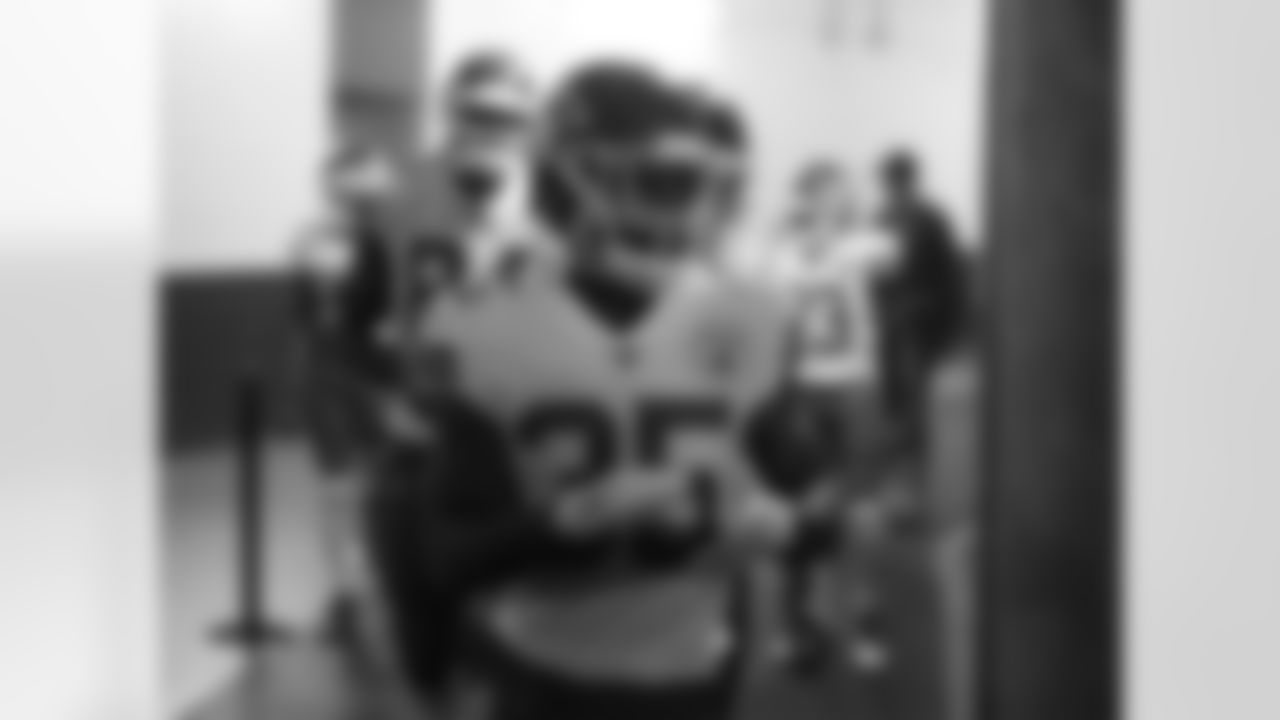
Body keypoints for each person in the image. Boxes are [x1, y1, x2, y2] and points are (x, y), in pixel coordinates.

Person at [395, 60, 825, 720]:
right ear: (570, 179)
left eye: (696, 185)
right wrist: (569, 521)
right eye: (660, 183)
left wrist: (789, 525)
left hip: (697, 670)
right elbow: (445, 558)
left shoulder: (753, 316)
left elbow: (816, 498)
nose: (685, 211)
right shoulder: (480, 322)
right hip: (540, 675)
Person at [753, 159, 902, 677]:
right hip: (798, 389)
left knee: (862, 511)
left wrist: (832, 235)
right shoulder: (777, 255)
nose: (828, 204)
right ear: (801, 197)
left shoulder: (861, 246)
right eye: (818, 194)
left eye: (837, 195)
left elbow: (889, 254)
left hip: (855, 387)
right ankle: (801, 623)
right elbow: (754, 278)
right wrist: (786, 228)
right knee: (802, 508)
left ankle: (863, 616)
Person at [290, 143, 403, 650]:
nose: (374, 199)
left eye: (375, 190)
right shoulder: (321, 239)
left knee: (383, 482)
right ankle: (347, 594)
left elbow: (383, 314)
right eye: (362, 189)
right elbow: (319, 315)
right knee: (339, 487)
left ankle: (376, 584)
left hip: (376, 372)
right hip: (333, 372)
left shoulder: (380, 240)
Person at [875, 149, 969, 455]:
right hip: (891, 316)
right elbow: (874, 274)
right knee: (893, 376)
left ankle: (917, 438)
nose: (895, 190)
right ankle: (900, 432)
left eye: (900, 182)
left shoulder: (932, 219)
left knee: (920, 378)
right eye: (890, 183)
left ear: (912, 181)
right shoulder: (881, 220)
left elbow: (951, 275)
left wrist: (954, 323)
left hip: (927, 313)